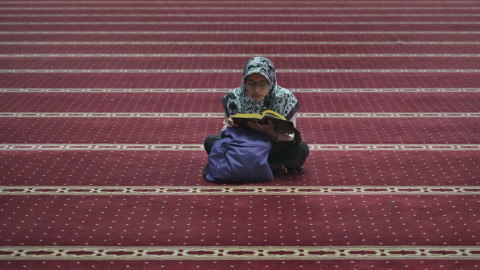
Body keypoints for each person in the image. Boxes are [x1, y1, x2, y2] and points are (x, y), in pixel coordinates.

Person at [204, 57, 309, 176]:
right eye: (251, 83)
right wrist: (229, 125)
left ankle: (250, 164)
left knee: (300, 148)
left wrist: (271, 133)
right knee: (210, 141)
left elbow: (291, 136)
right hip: (244, 145)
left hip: (271, 146)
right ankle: (269, 166)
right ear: (244, 81)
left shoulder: (285, 98)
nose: (256, 90)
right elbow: (227, 133)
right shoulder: (235, 97)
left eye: (262, 84)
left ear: (271, 80)